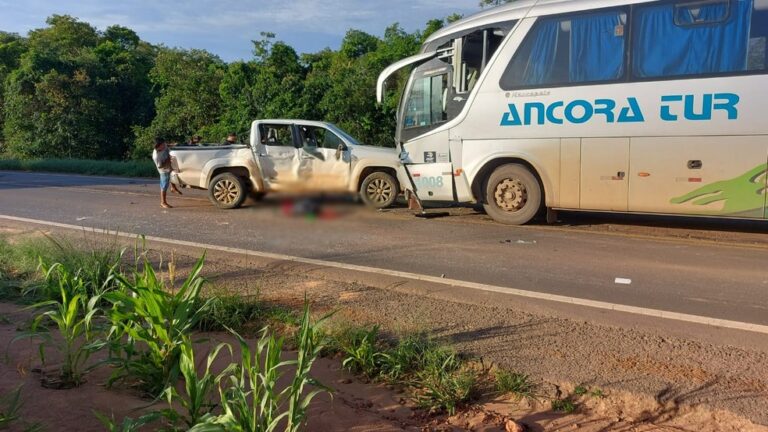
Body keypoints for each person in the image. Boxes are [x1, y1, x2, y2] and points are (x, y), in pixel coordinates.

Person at [152, 137, 182, 209]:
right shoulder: (156, 156)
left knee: (172, 175)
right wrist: (168, 160)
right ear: (158, 146)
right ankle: (163, 202)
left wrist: (173, 145)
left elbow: (167, 145)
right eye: (163, 144)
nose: (164, 145)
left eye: (164, 143)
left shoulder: (163, 145)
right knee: (164, 185)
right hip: (163, 170)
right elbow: (160, 166)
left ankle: (173, 188)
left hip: (168, 165)